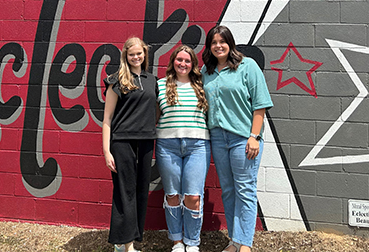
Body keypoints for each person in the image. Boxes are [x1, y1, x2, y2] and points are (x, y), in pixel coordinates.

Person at [201, 25, 273, 252]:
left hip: (243, 138)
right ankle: (234, 240)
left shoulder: (247, 66)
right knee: (229, 190)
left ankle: (245, 244)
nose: (218, 46)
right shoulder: (206, 71)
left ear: (230, 43)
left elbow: (260, 104)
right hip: (218, 139)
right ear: (209, 47)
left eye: (222, 41)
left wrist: (254, 136)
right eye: (213, 42)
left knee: (245, 189)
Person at [102, 37, 158, 252]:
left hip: (145, 142)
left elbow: (155, 111)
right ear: (125, 55)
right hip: (122, 142)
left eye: (140, 53)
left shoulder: (152, 80)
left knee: (141, 190)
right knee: (125, 191)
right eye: (132, 54)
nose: (136, 57)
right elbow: (107, 119)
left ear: (145, 54)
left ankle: (128, 240)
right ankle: (127, 245)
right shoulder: (116, 80)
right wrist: (106, 151)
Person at [155, 45, 210, 252]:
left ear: (193, 64)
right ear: (173, 62)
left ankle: (192, 242)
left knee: (193, 196)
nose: (183, 64)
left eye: (187, 61)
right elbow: (153, 116)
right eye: (179, 60)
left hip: (198, 146)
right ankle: (177, 241)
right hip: (167, 146)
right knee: (172, 195)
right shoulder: (160, 85)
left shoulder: (202, 86)